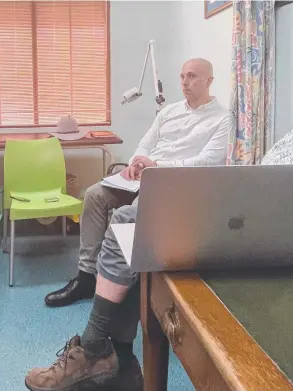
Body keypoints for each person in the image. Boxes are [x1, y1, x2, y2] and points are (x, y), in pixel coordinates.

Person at [24, 53, 293, 391]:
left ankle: (101, 350)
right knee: (115, 210)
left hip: (269, 231)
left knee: (138, 224)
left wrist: (164, 169)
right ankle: (109, 341)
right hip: (234, 208)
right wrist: (140, 160)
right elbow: (258, 178)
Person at [44, 58, 232, 308]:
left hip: (176, 184)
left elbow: (208, 161)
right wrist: (135, 162)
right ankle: (87, 276)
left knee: (128, 211)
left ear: (209, 80)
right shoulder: (169, 112)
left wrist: (157, 168)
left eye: (193, 76)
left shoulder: (222, 118)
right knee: (93, 194)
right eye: (182, 76)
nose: (185, 82)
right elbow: (145, 143)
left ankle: (121, 286)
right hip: (145, 175)